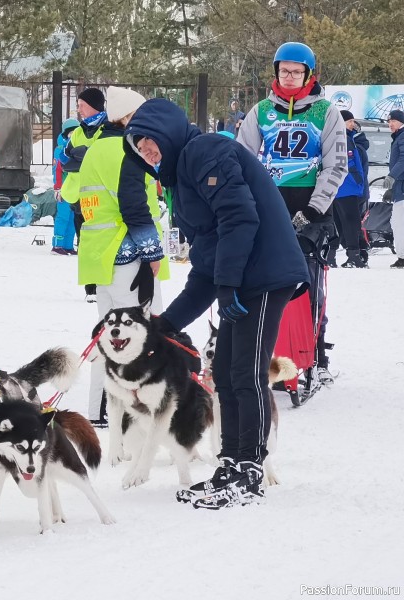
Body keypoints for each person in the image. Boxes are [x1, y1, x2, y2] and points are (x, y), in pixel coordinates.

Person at [124, 98, 310, 508]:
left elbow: (240, 218)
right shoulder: (181, 178)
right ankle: (232, 461)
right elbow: (207, 263)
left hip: (263, 274)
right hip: (241, 277)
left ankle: (250, 469)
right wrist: (166, 323)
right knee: (224, 371)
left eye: (151, 143)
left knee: (246, 372)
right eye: (140, 149)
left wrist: (228, 286)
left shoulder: (205, 151)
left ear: (168, 133)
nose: (148, 153)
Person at [237, 41, 347, 383]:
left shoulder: (326, 112)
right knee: (263, 282)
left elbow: (336, 165)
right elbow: (241, 158)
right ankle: (264, 351)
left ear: (309, 75)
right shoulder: (261, 111)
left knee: (308, 284)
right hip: (270, 207)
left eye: (296, 72)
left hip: (311, 209)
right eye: (283, 70)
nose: (289, 77)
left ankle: (314, 352)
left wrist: (315, 209)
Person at [76, 86, 166, 426]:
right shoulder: (127, 151)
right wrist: (152, 253)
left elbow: (73, 194)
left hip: (101, 256)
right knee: (138, 336)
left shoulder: (94, 149)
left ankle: (99, 408)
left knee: (107, 335)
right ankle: (131, 411)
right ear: (128, 118)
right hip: (130, 255)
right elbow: (136, 208)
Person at [59, 88, 108, 302]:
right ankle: (91, 288)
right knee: (84, 243)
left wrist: (81, 156)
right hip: (78, 197)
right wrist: (82, 156)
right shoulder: (79, 131)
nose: (78, 109)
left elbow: (101, 159)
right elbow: (65, 159)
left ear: (93, 105)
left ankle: (104, 284)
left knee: (101, 243)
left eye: (81, 105)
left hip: (101, 199)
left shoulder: (107, 129)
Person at [330, 110, 369, 268]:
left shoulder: (346, 138)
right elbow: (350, 163)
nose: (352, 124)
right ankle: (354, 255)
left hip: (340, 187)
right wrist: (358, 180)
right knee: (349, 222)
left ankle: (338, 255)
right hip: (347, 186)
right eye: (349, 121)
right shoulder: (343, 139)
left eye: (353, 121)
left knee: (340, 222)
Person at [51, 117, 79, 255]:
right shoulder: (61, 150)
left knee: (73, 218)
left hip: (74, 189)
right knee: (63, 217)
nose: (73, 135)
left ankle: (68, 245)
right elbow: (57, 170)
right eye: (70, 133)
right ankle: (57, 245)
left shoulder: (78, 149)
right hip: (64, 189)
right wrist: (57, 188)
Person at [386, 109, 404, 268]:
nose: (390, 124)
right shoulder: (398, 136)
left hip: (402, 188)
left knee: (399, 223)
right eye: (388, 121)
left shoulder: (403, 136)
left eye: (393, 121)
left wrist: (391, 176)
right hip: (399, 188)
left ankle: (403, 257)